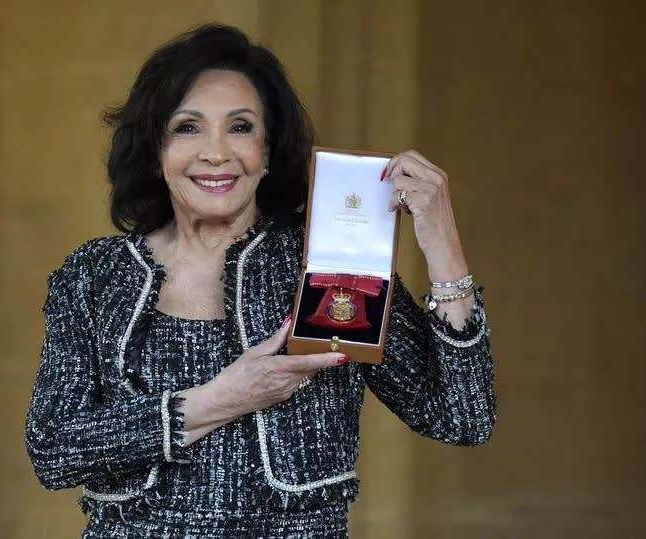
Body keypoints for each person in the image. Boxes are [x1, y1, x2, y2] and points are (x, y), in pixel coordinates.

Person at [25, 24, 495, 538]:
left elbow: (461, 417)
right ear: (156, 151)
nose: (216, 152)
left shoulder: (326, 260)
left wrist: (442, 242)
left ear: (268, 151)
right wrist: (223, 398)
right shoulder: (96, 274)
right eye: (188, 127)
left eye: (241, 127)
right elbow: (54, 450)